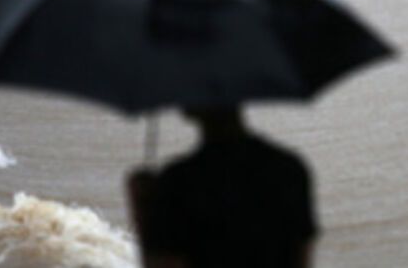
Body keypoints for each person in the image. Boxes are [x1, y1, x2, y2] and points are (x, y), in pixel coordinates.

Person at [129, 107, 318, 268]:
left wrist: (143, 212)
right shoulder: (289, 169)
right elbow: (302, 259)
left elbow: (163, 263)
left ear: (189, 109)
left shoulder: (179, 181)